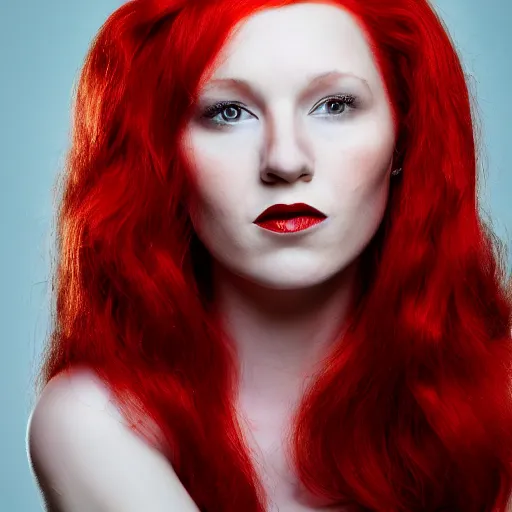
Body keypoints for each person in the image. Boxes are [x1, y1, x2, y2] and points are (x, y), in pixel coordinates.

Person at [26, 0, 512, 510]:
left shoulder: (498, 399)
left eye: (335, 105)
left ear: (404, 136)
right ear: (163, 156)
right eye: (228, 112)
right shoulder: (94, 421)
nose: (284, 160)